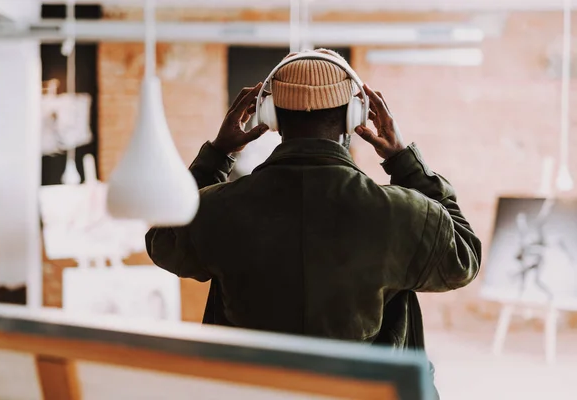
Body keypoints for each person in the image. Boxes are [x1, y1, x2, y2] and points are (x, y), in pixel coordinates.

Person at [146, 49, 481, 396]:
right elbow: (464, 258)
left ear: (269, 116)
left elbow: (164, 239)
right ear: (355, 117)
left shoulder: (217, 208)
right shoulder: (405, 213)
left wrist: (217, 154)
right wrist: (404, 161)